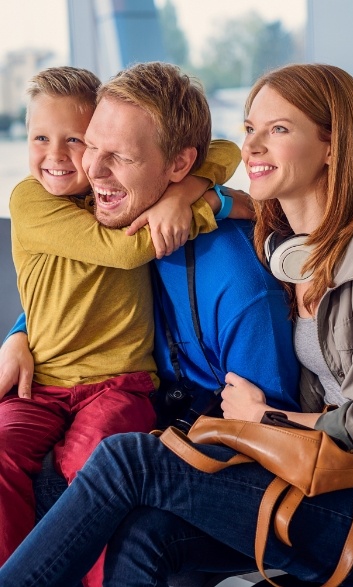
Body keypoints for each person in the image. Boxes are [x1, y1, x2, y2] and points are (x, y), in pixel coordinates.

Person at [6, 63, 347, 587]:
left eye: (117, 156)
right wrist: (20, 333)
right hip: (164, 420)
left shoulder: (238, 288)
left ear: (178, 165)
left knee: (128, 492)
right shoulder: (128, 225)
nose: (90, 170)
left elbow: (262, 442)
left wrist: (203, 196)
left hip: (250, 464)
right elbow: (73, 296)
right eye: (90, 145)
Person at [0, 62, 245, 586]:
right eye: (40, 137)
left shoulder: (110, 191)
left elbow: (223, 149)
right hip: (40, 383)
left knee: (96, 473)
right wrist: (200, 204)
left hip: (119, 383)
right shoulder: (32, 199)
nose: (60, 156)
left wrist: (184, 190)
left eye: (78, 140)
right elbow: (125, 251)